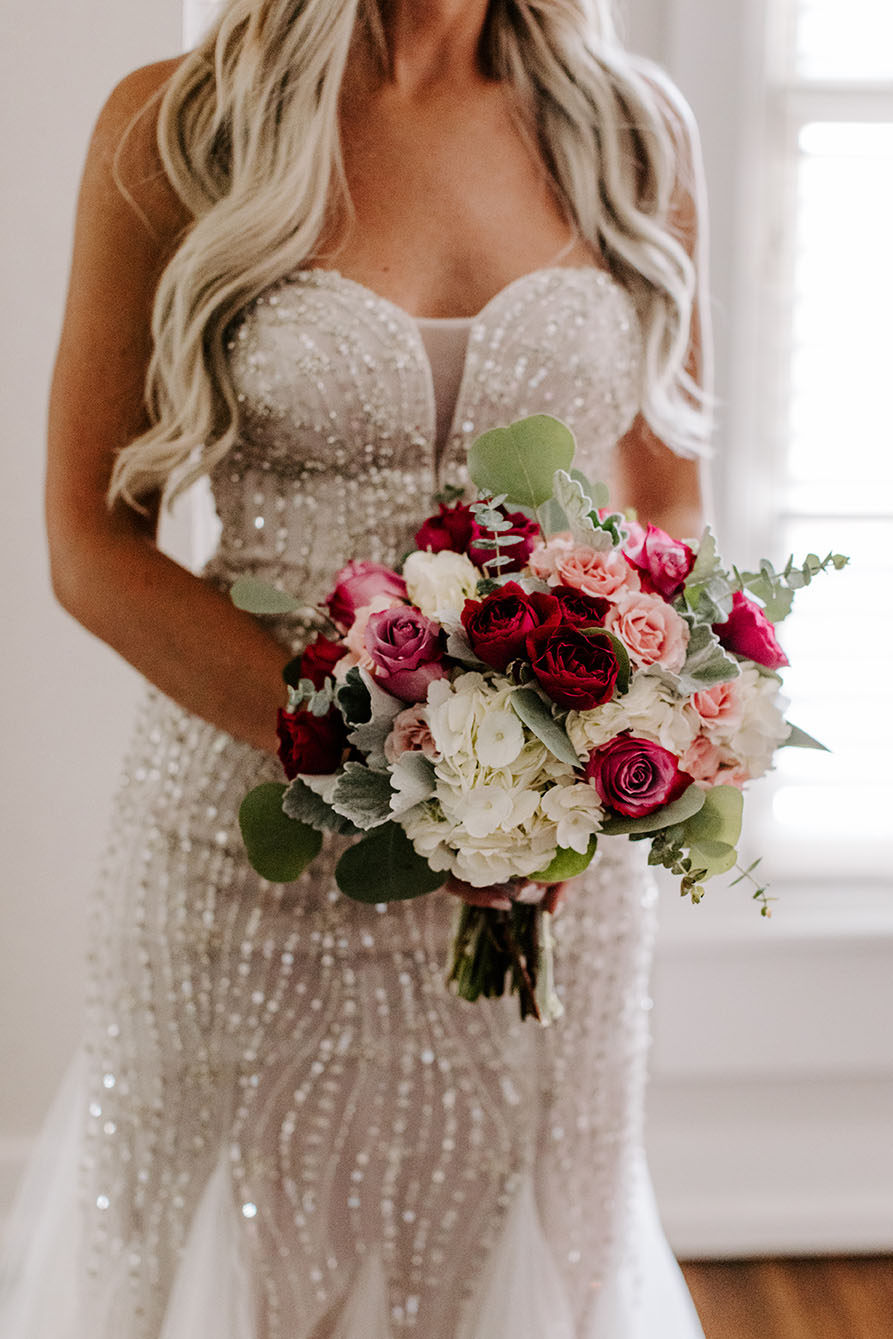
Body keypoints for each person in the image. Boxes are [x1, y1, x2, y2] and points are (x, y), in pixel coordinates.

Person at [1, 1, 714, 1335]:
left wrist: (598, 720)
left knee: (524, 1256)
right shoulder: (178, 126)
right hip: (249, 845)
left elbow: (666, 499)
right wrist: (391, 766)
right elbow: (89, 544)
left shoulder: (633, 131)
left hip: (546, 870)